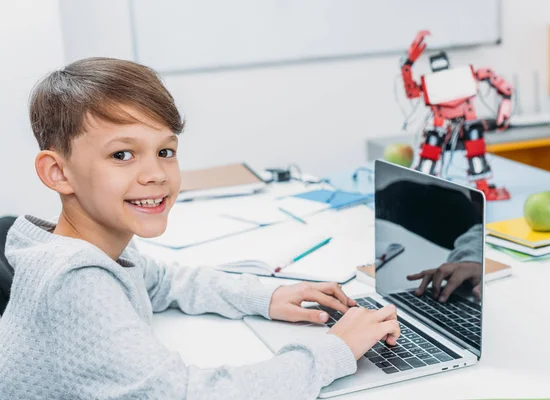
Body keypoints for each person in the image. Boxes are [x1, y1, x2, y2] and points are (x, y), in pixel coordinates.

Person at [0, 58, 400, 400]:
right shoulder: (75, 282)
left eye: (165, 152)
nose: (155, 174)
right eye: (122, 154)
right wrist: (337, 351)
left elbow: (161, 282)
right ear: (57, 172)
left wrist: (268, 296)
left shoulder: (90, 246)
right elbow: (191, 395)